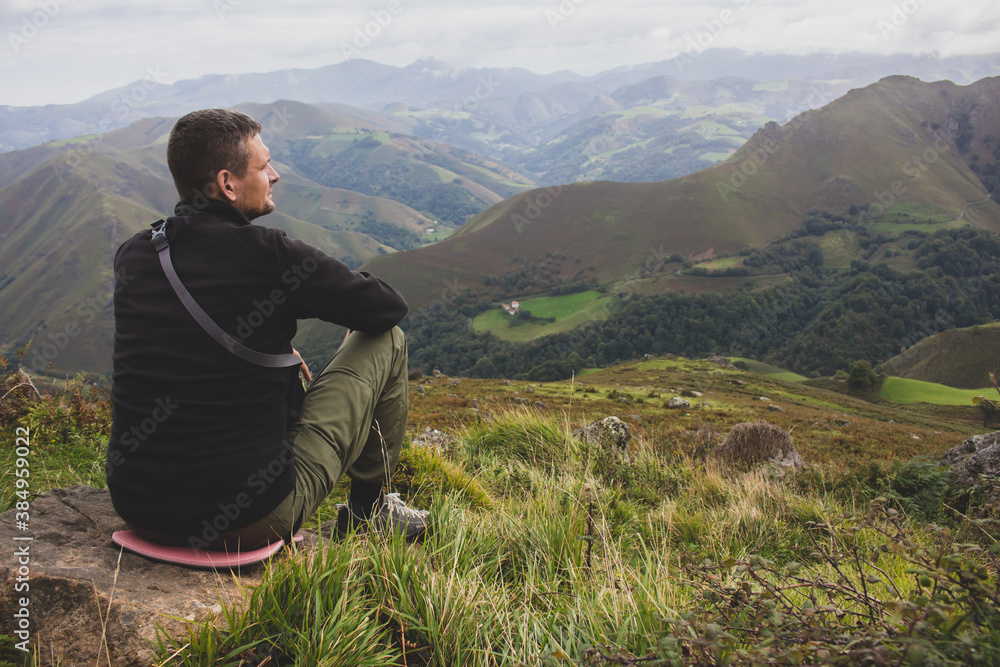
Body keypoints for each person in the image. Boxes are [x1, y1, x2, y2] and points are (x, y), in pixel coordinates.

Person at [106, 108, 427, 550]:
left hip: (140, 507)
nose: (274, 175)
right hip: (250, 518)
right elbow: (388, 308)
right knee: (387, 340)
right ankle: (370, 511)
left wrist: (280, 350)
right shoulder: (270, 254)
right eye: (263, 166)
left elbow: (183, 343)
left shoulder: (136, 253)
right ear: (227, 184)